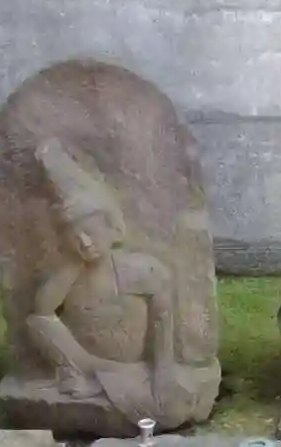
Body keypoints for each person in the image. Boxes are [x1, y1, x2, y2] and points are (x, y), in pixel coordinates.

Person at [27, 138, 178, 416]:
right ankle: (95, 376)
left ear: (112, 229)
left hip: (135, 364)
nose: (85, 242)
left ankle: (109, 380)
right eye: (75, 237)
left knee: (168, 407)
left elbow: (162, 320)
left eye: (91, 232)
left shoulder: (144, 269)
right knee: (38, 323)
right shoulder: (69, 275)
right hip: (87, 361)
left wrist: (164, 371)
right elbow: (42, 311)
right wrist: (74, 263)